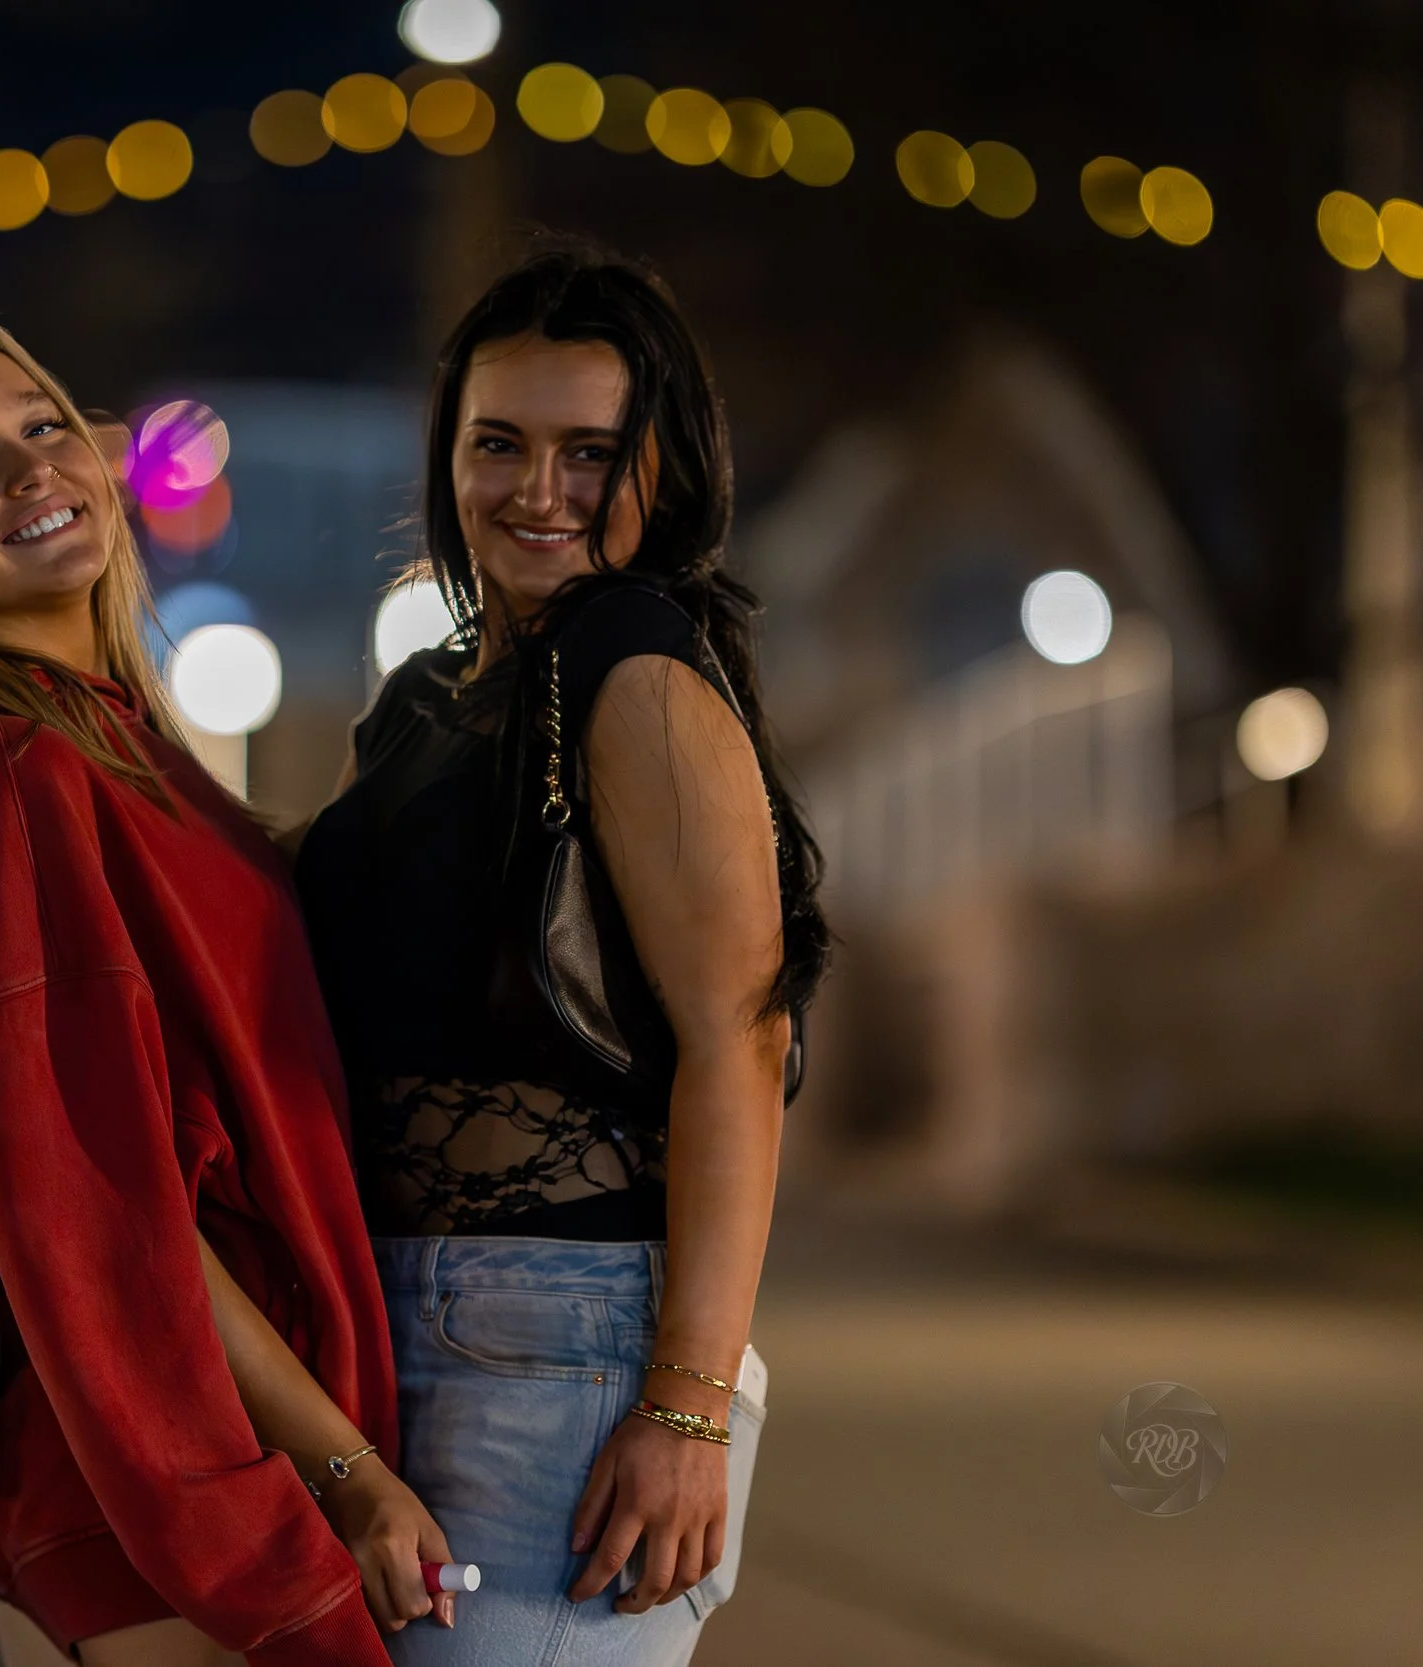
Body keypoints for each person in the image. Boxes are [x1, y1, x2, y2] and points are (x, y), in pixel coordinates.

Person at [0, 302, 450, 1667]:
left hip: (242, 1437)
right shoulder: (5, 776)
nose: (27, 471)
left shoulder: (109, 741)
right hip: (172, 1481)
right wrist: (338, 1470)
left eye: (42, 425)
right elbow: (103, 1205)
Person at [294, 246, 832, 1665]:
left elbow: (743, 1034)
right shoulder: (433, 695)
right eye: (500, 445)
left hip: (569, 1347)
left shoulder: (634, 663)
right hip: (391, 1321)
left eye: (590, 453)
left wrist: (686, 1403)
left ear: (668, 469)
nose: (538, 492)